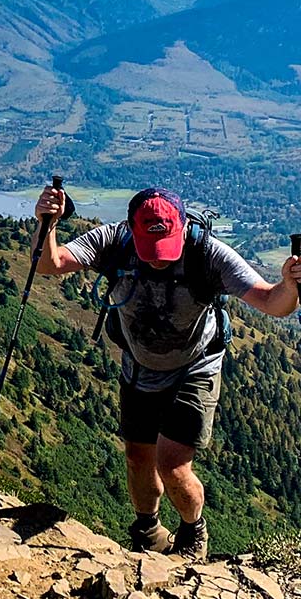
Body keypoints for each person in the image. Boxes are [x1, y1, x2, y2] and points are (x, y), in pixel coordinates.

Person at [33, 185, 301, 560]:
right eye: (150, 249)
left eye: (166, 249)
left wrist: (289, 285)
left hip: (195, 365)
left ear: (181, 227)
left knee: (172, 464)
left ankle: (193, 531)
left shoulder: (206, 252)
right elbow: (50, 264)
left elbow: (273, 304)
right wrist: (47, 224)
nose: (158, 260)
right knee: (137, 457)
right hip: (141, 365)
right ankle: (148, 531)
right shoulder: (114, 240)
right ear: (132, 229)